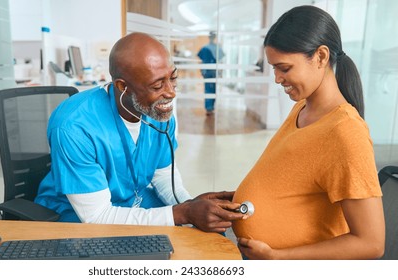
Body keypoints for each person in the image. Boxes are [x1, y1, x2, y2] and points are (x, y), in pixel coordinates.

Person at [35, 32, 245, 232]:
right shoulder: (74, 127)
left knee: (205, 236)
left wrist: (190, 204)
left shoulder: (158, 112)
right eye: (157, 85)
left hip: (133, 200)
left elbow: (163, 176)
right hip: (76, 216)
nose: (171, 92)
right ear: (122, 86)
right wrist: (184, 213)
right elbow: (97, 217)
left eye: (172, 78)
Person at [232, 5, 385, 259]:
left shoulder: (346, 132)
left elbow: (371, 243)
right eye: (273, 69)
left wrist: (278, 258)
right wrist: (240, 199)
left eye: (285, 68)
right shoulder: (303, 107)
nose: (277, 79)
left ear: (321, 57)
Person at [197, 31, 225, 115]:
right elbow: (220, 60)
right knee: (212, 89)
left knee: (208, 89)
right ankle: (210, 107)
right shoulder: (217, 48)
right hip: (213, 71)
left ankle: (209, 107)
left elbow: (202, 61)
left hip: (208, 71)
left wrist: (202, 70)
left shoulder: (205, 48)